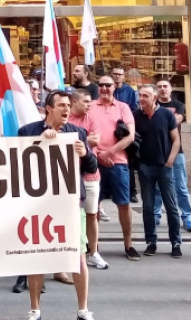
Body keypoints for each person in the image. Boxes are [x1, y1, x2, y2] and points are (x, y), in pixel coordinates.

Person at [18, 90, 98, 320]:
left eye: (68, 105)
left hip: (72, 204)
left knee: (79, 255)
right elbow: (19, 165)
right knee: (37, 255)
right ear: (48, 108)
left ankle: (83, 309)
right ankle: (35, 309)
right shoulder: (28, 131)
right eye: (61, 105)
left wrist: (85, 154)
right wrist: (41, 142)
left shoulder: (78, 133)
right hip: (39, 205)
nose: (66, 109)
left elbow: (91, 168)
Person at [90, 75, 139, 261]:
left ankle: (129, 244)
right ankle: (93, 247)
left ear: (114, 87)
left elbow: (130, 137)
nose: (104, 88)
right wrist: (98, 156)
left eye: (107, 85)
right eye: (101, 85)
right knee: (93, 206)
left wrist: (108, 153)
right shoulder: (91, 106)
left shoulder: (123, 107)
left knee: (123, 204)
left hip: (118, 162)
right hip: (94, 162)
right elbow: (84, 133)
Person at [134, 84, 182, 258]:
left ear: (154, 97)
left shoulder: (166, 114)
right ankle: (151, 242)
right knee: (147, 207)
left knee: (171, 206)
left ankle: (176, 243)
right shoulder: (136, 115)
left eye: (145, 95)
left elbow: (176, 140)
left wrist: (170, 161)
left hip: (164, 167)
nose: (141, 99)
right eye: (140, 95)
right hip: (145, 167)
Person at [68, 89, 107, 270]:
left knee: (92, 214)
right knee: (69, 215)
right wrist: (83, 138)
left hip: (91, 175)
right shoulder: (66, 118)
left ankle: (93, 252)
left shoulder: (91, 118)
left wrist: (73, 140)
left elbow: (96, 140)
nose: (89, 105)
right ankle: (69, 252)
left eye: (90, 102)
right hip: (69, 175)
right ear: (74, 102)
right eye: (85, 102)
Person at [155, 79, 191, 230]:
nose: (163, 89)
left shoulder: (178, 105)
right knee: (156, 187)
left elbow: (179, 118)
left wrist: (158, 120)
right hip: (157, 152)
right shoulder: (153, 105)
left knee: (181, 187)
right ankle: (155, 216)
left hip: (177, 152)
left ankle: (187, 217)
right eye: (160, 87)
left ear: (170, 89)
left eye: (165, 86)